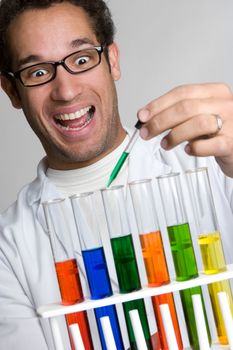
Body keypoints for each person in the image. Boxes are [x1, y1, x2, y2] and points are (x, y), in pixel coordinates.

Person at [1, 0, 233, 349]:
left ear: (112, 60)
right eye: (37, 72)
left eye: (81, 60)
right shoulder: (9, 250)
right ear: (11, 91)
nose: (66, 91)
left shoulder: (209, 159)